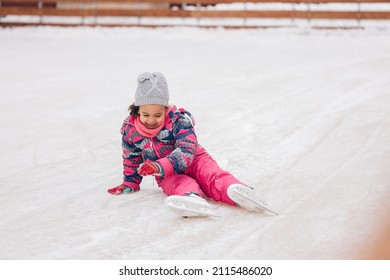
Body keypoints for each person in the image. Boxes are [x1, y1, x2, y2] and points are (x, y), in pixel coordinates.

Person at [108, 72, 273, 217]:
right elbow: (131, 157)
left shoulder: (179, 121)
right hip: (166, 173)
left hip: (195, 160)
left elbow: (187, 149)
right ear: (137, 110)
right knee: (178, 184)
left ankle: (238, 192)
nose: (151, 120)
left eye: (158, 115)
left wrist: (158, 166)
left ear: (165, 110)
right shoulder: (130, 130)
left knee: (211, 176)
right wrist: (130, 182)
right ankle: (191, 198)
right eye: (146, 114)